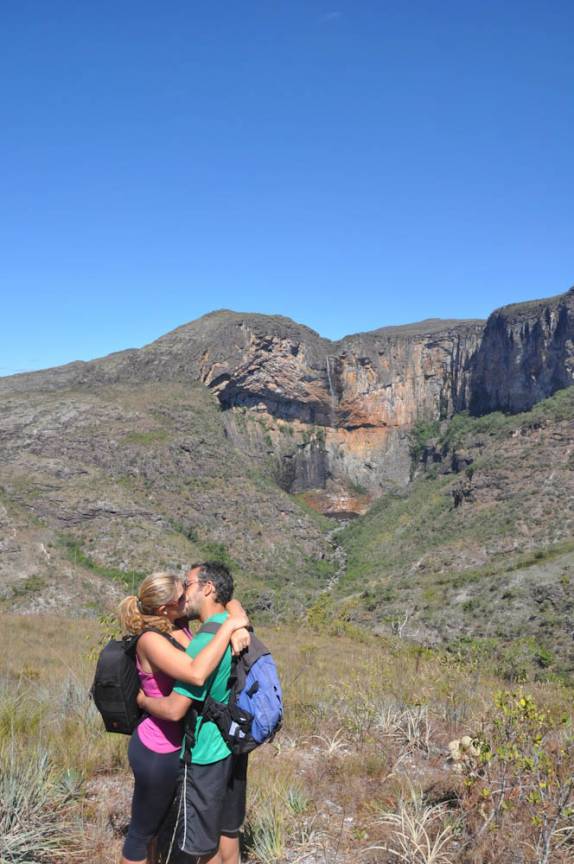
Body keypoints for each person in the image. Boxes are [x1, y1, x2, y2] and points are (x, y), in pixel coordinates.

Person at [118, 570, 250, 864]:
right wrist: (230, 627)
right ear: (165, 607)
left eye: (187, 588)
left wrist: (238, 619)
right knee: (141, 833)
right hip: (157, 748)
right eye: (182, 595)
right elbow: (193, 675)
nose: (187, 596)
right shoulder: (151, 640)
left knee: (155, 829)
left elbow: (227, 600)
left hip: (178, 745)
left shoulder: (178, 622)